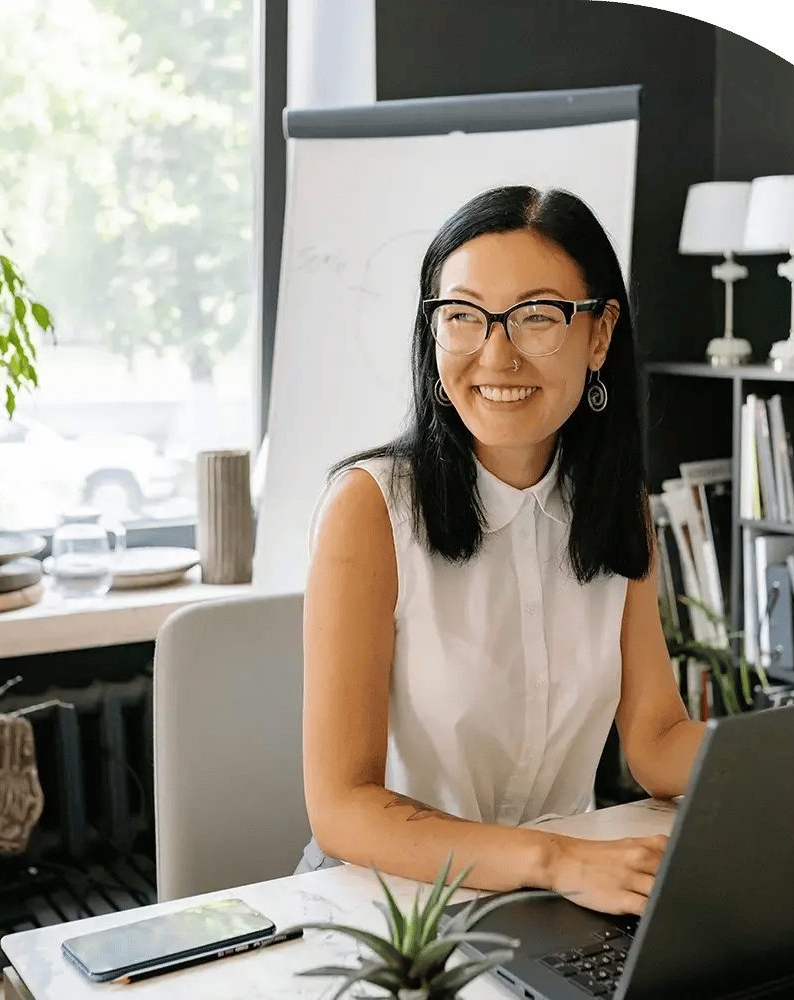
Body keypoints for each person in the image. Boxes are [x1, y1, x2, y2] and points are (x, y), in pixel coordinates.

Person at [299, 186, 705, 915]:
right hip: (389, 905)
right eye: (462, 316)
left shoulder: (617, 505)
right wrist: (552, 860)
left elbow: (656, 737)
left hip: (557, 895)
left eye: (538, 317)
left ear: (600, 334)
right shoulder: (368, 510)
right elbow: (342, 807)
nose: (496, 354)